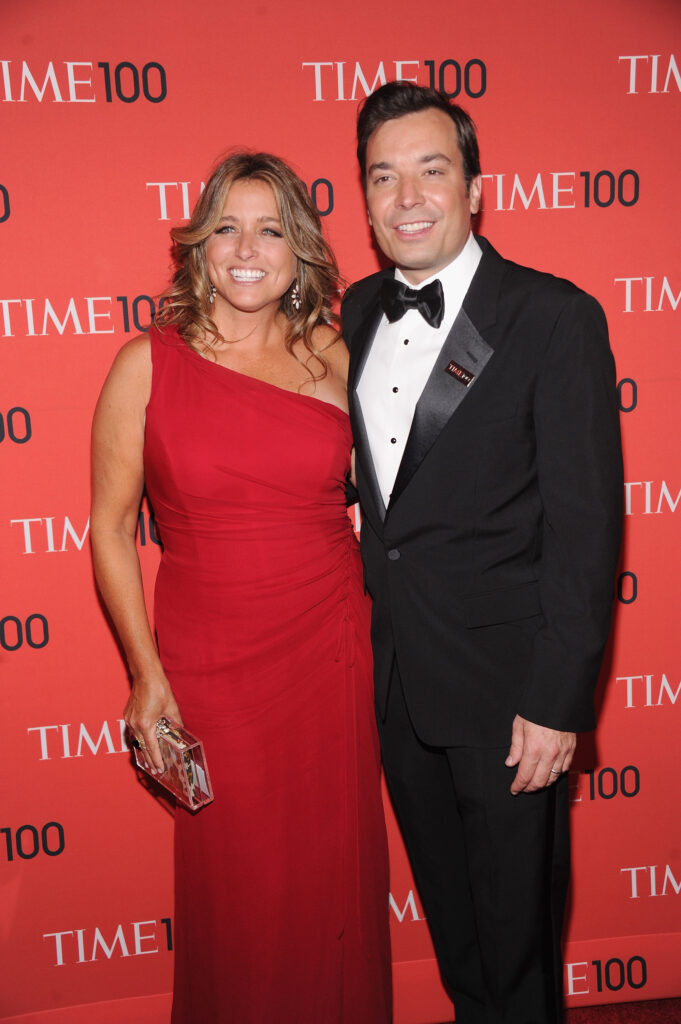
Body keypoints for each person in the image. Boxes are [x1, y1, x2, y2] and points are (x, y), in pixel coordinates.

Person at [341, 81, 623, 1024]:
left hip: (510, 702)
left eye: (431, 170)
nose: (407, 195)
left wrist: (555, 703)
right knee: (458, 943)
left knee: (518, 956)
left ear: (474, 189)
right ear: (365, 196)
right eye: (384, 176)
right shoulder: (351, 315)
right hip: (398, 690)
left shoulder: (551, 316)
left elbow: (587, 529)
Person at [90, 151, 391, 1023]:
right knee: (240, 889)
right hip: (211, 659)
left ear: (300, 249)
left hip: (331, 644)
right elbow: (110, 529)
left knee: (331, 882)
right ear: (199, 246)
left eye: (271, 229)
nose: (247, 248)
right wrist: (146, 677)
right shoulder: (146, 365)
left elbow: (403, 483)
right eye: (227, 226)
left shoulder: (337, 353)